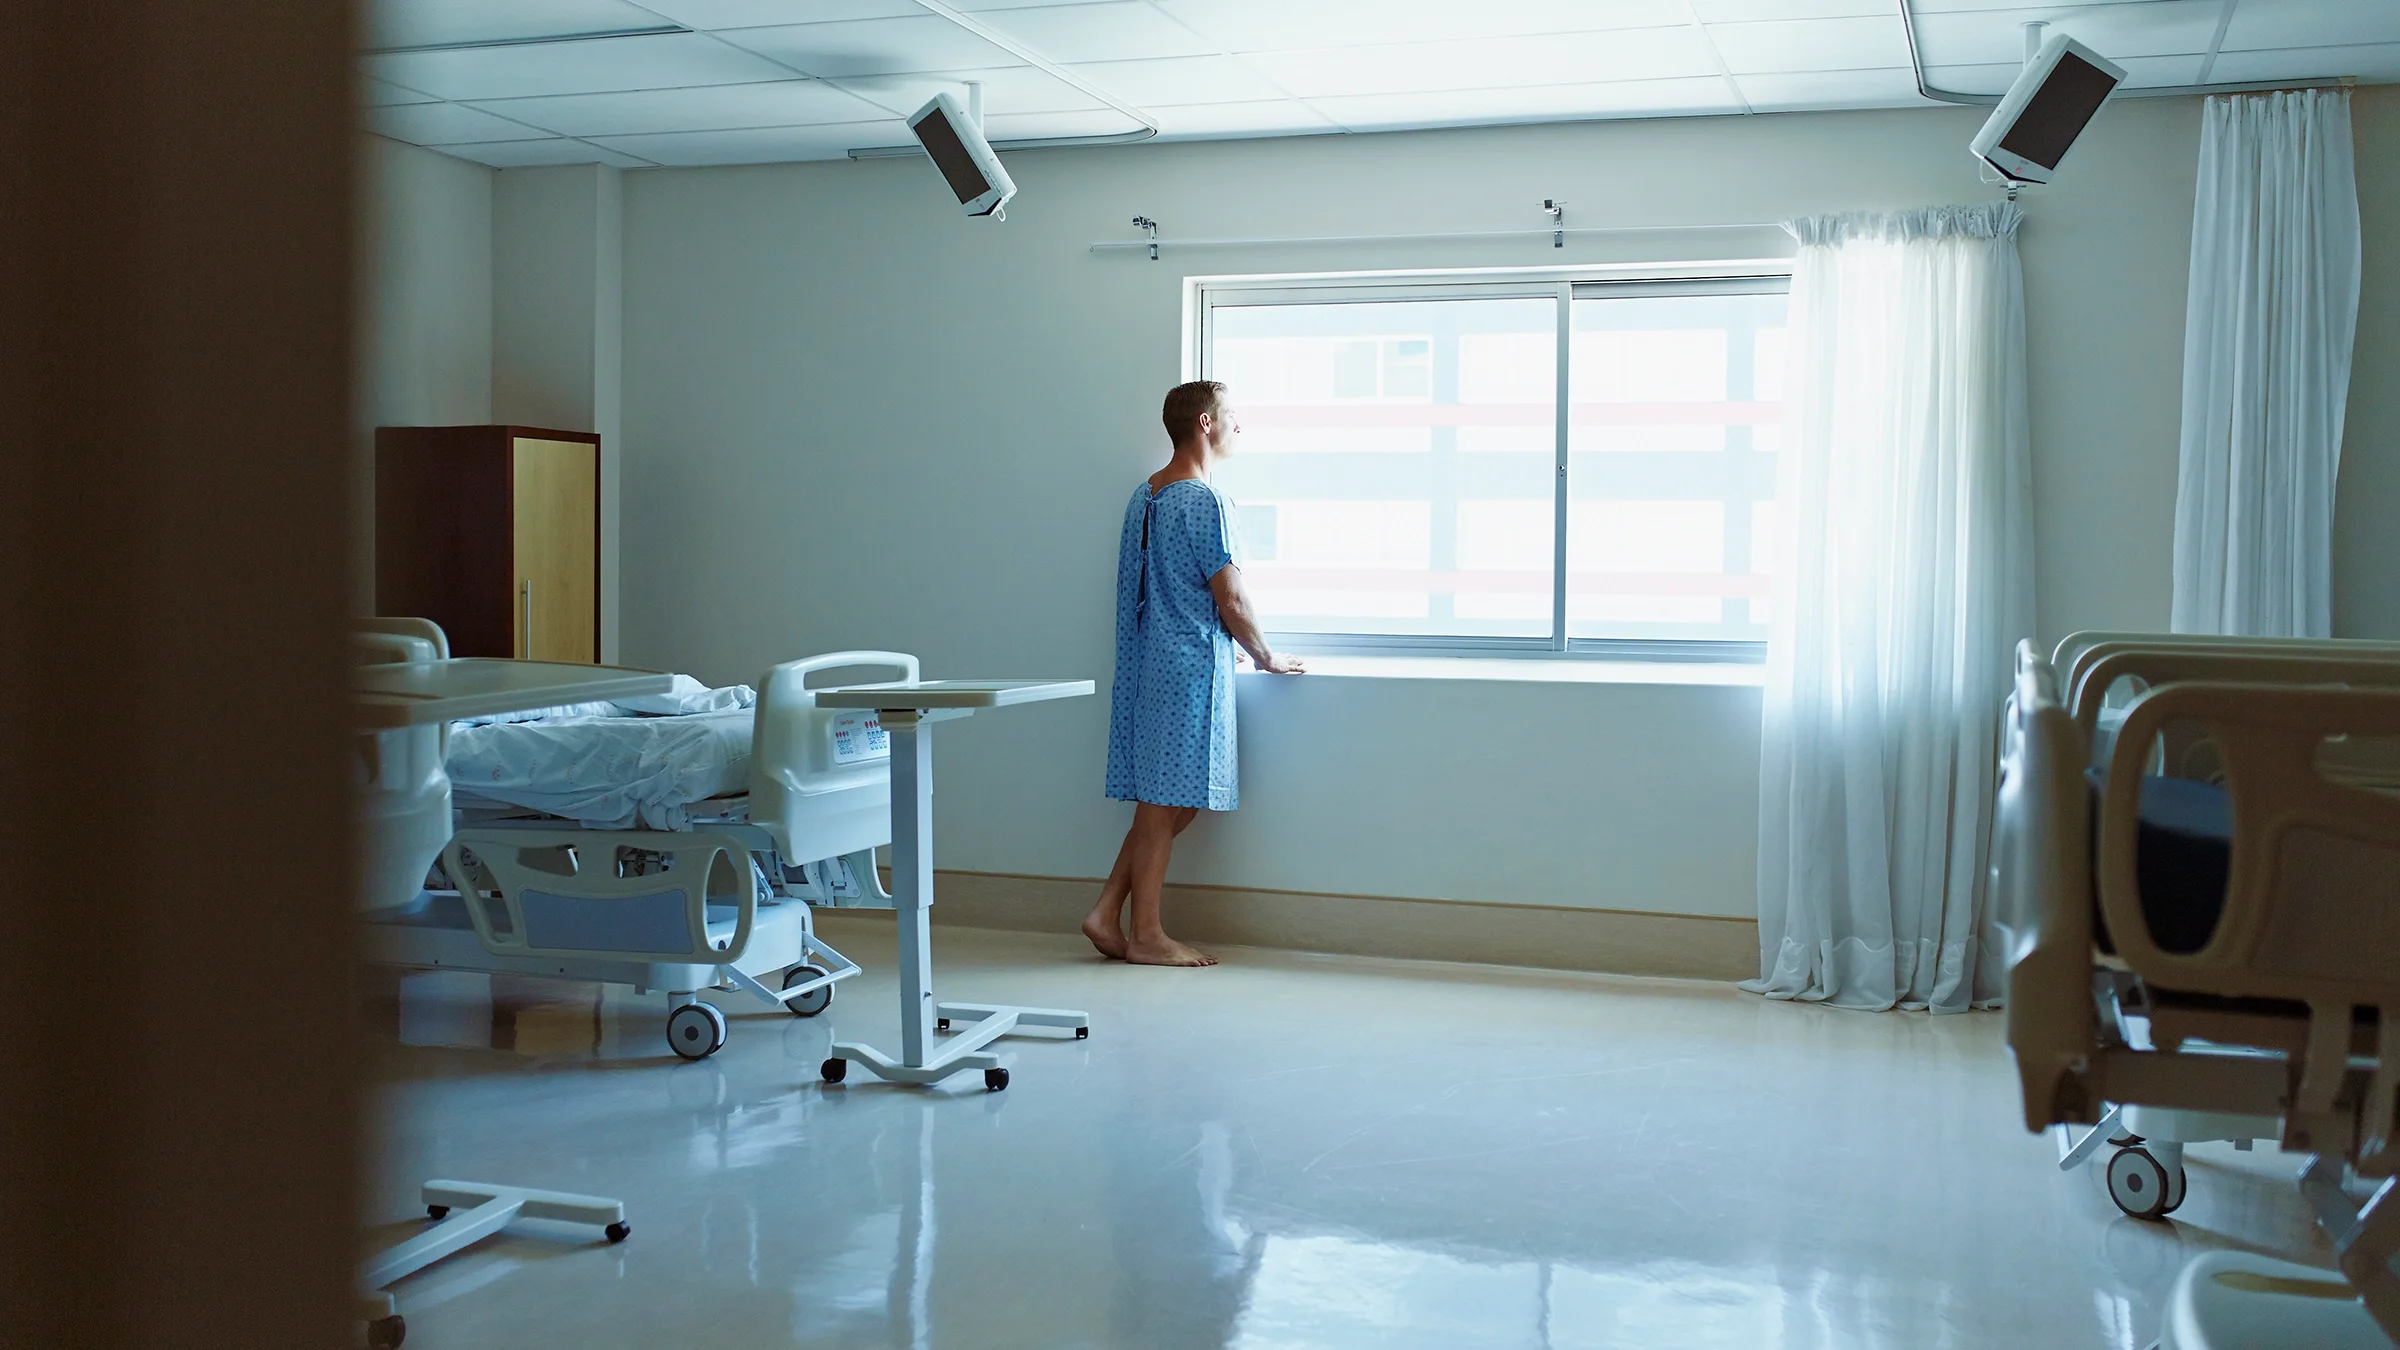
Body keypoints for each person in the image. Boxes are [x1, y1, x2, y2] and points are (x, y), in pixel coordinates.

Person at [1085, 381, 1304, 967]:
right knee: (1164, 806)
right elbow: (1229, 596)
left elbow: (1158, 589)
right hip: (1185, 671)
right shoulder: (1204, 501)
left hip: (1146, 664)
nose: (1240, 427)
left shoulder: (1147, 495)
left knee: (1171, 803)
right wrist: (1266, 656)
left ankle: (1107, 910)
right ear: (1206, 423)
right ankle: (1147, 935)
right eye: (1233, 416)